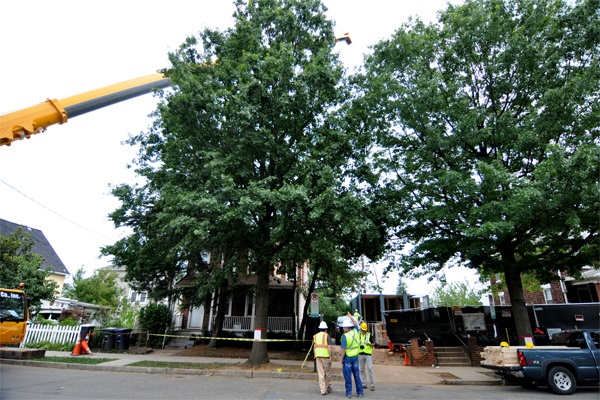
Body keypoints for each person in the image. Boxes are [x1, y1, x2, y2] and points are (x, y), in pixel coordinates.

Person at [340, 312, 363, 399]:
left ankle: (349, 393)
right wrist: (350, 317)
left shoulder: (345, 336)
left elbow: (343, 349)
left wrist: (342, 359)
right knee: (357, 376)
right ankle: (360, 393)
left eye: (343, 327)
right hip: (355, 358)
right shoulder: (356, 331)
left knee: (348, 377)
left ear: (347, 327)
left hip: (348, 358)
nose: (343, 329)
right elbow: (356, 324)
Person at [313, 321, 333, 396]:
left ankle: (323, 390)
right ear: (326, 329)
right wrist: (331, 356)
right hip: (326, 356)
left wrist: (315, 355)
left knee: (321, 374)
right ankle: (328, 387)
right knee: (327, 373)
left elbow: (315, 346)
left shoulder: (315, 336)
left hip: (318, 356)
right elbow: (329, 347)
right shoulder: (327, 336)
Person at [358, 322, 375, 391]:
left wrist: (370, 345)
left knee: (370, 368)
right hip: (360, 354)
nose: (364, 331)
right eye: (363, 330)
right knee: (361, 369)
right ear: (361, 329)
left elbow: (373, 344)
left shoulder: (369, 335)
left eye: (365, 330)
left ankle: (372, 384)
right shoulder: (358, 335)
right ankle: (363, 383)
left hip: (368, 354)